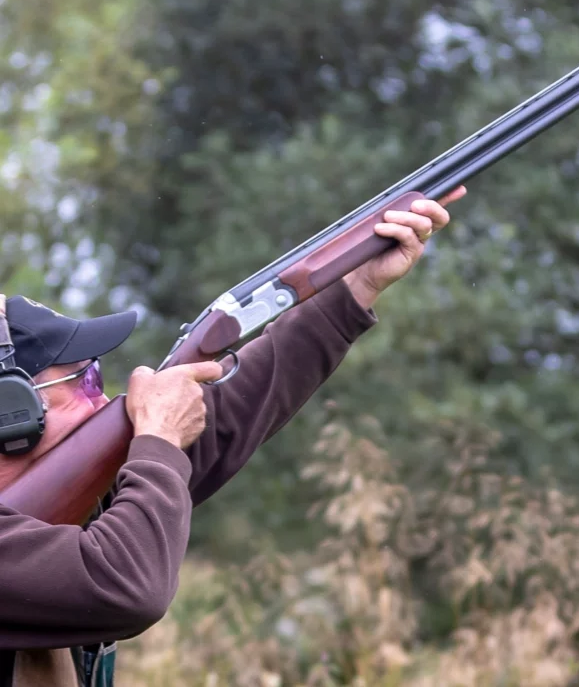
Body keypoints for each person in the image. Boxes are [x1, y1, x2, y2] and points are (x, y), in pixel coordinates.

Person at [0, 188, 465, 687]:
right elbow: (127, 585)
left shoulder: (41, 514)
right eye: (85, 382)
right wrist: (156, 439)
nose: (105, 400)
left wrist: (351, 291)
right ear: (12, 412)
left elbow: (222, 422)